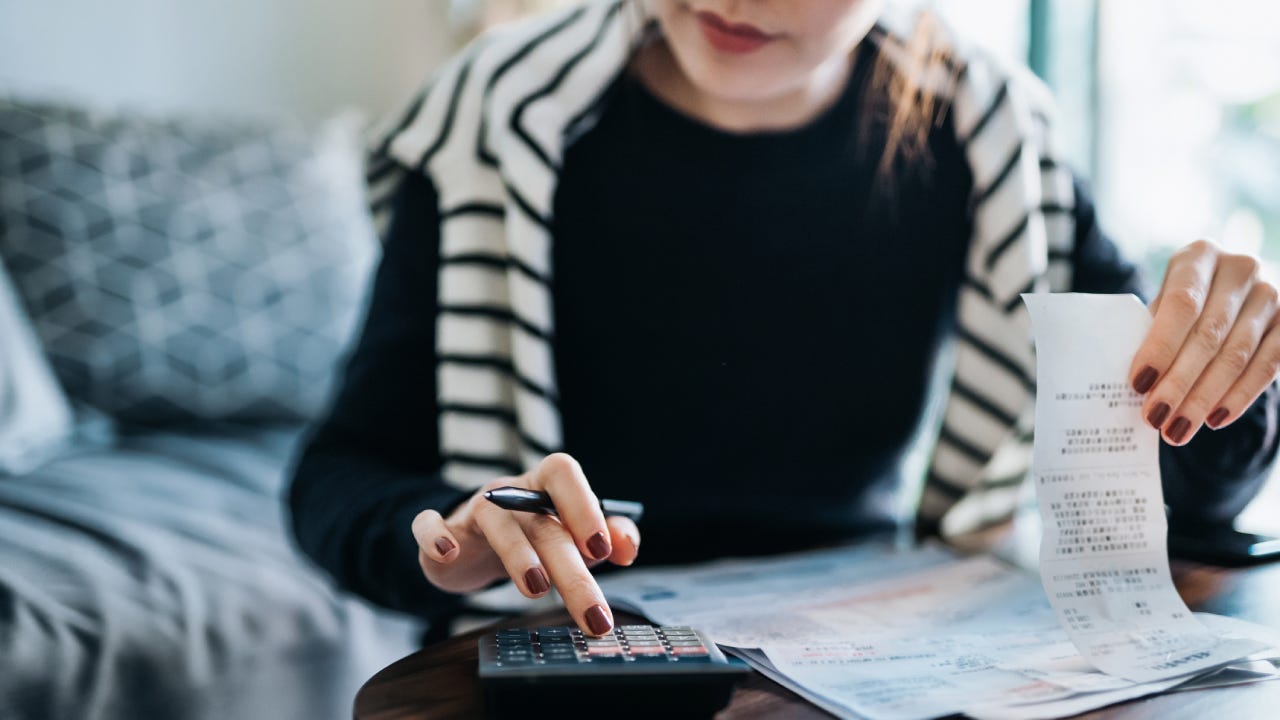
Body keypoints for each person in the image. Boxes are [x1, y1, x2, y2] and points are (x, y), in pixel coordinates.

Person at [288, 0, 1280, 639]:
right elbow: (337, 474)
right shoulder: (489, 123)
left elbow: (1181, 501)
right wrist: (445, 539)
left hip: (866, 652)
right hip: (567, 658)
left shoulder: (992, 139)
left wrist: (1225, 372)